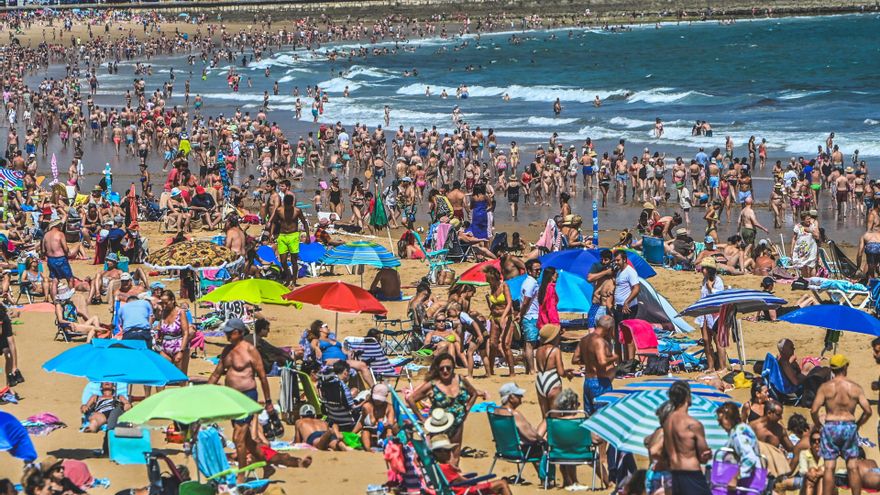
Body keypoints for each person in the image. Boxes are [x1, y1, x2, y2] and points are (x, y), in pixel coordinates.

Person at [207, 318, 274, 483]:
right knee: (247, 441)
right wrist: (204, 393)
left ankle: (241, 475)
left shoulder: (250, 350)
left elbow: (263, 377)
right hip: (232, 399)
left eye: (229, 333)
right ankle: (267, 465)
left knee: (238, 437)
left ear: (238, 332)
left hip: (247, 396)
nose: (227, 335)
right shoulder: (227, 351)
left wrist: (268, 401)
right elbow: (216, 374)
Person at [407, 353, 487, 466]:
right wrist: (421, 418)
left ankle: (452, 476)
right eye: (442, 368)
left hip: (457, 423)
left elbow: (473, 393)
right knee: (438, 457)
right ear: (437, 369)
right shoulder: (432, 385)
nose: (445, 371)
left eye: (448, 368)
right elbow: (411, 399)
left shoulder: (460, 379)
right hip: (439, 426)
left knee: (455, 458)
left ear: (453, 368)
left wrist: (467, 409)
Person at [811, 354, 872, 495]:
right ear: (845, 367)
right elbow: (868, 411)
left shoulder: (825, 387)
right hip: (848, 426)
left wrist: (819, 425)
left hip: (830, 426)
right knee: (852, 466)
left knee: (829, 467)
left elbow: (814, 410)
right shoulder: (855, 387)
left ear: (832, 369)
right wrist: (858, 424)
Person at [663, 380, 712, 494]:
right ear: (687, 396)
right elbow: (703, 455)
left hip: (674, 474)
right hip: (691, 472)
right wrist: (708, 454)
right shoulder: (693, 424)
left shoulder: (667, 422)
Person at [430, 434, 512, 495]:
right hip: (465, 492)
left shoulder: (437, 467)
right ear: (438, 453)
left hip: (460, 490)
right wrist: (477, 480)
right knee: (502, 483)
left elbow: (458, 479)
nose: (450, 453)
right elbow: (464, 481)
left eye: (450, 450)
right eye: (447, 450)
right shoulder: (445, 468)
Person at [574, 315, 618, 414]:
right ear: (609, 328)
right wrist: (615, 357)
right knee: (602, 415)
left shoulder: (585, 339)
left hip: (588, 382)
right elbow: (602, 362)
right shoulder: (600, 341)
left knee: (589, 416)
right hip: (600, 382)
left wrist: (590, 361)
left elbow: (575, 359)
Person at [716, 402, 762, 487]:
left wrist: (735, 478)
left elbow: (750, 458)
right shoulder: (742, 427)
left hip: (748, 482)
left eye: (720, 421)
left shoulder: (738, 435)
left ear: (728, 419)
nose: (719, 424)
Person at [534, 323, 571, 417]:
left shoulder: (538, 350)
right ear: (553, 337)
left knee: (545, 417)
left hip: (540, 380)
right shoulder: (555, 350)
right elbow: (561, 372)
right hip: (552, 380)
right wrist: (567, 374)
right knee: (555, 417)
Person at [485, 265, 514, 377]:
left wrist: (503, 317)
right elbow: (493, 307)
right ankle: (490, 370)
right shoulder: (492, 288)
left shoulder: (504, 286)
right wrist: (488, 301)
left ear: (494, 278)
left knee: (506, 345)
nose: (488, 282)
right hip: (494, 318)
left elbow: (509, 303)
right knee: (492, 344)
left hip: (506, 317)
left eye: (489, 279)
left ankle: (512, 371)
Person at [275, 193, 309, 285]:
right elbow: (275, 222)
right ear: (284, 203)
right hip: (282, 236)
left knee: (294, 260)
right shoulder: (279, 210)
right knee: (283, 261)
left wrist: (308, 235)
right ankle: (288, 275)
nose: (288, 208)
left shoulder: (297, 211)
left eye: (289, 206)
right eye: (286, 206)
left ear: (292, 204)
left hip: (293, 235)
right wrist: (272, 233)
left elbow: (304, 222)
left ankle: (293, 280)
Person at [155, 290, 191, 374]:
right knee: (164, 375)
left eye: (166, 303)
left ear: (172, 300)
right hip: (165, 348)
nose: (164, 305)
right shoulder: (163, 312)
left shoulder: (180, 312)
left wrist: (181, 352)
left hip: (179, 347)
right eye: (162, 303)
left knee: (180, 376)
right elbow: (159, 329)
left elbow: (185, 333)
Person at [353, 383, 398, 451]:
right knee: (365, 432)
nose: (377, 401)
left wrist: (388, 427)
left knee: (390, 431)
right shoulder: (366, 406)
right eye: (376, 399)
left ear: (386, 396)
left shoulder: (389, 407)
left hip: (383, 434)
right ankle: (368, 450)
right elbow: (361, 422)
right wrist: (352, 434)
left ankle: (386, 446)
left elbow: (391, 424)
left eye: (380, 399)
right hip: (369, 435)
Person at [611, 250, 640, 357]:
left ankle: (630, 361)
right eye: (615, 260)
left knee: (628, 335)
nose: (616, 262)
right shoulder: (619, 271)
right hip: (619, 307)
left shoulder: (630, 271)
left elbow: (636, 288)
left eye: (618, 260)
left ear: (624, 259)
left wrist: (627, 302)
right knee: (619, 335)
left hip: (628, 307)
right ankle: (623, 360)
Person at [518, 259, 541, 375]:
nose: (539, 272)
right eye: (536, 270)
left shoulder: (528, 282)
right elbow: (526, 301)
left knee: (527, 344)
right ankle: (532, 370)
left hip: (529, 315)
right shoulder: (531, 283)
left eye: (540, 269)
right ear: (529, 271)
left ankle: (528, 369)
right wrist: (521, 314)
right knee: (530, 344)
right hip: (531, 316)